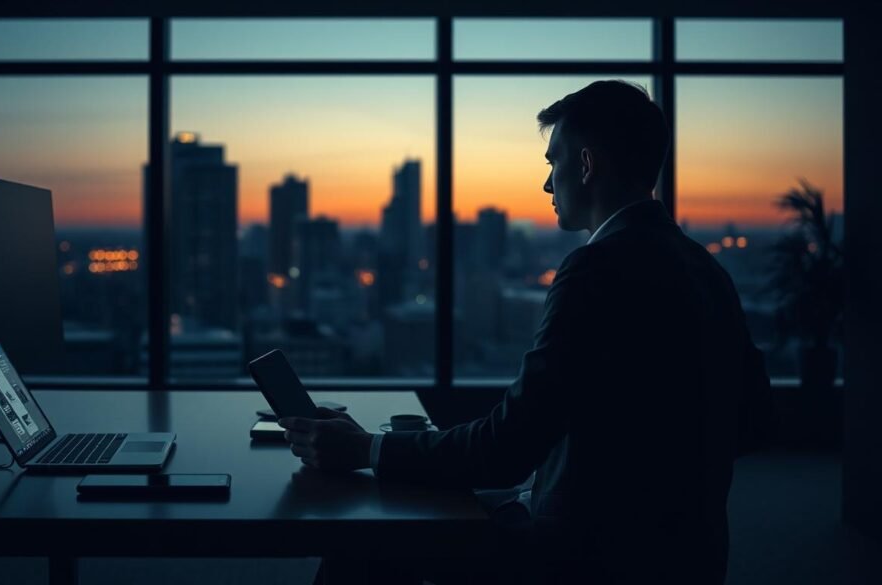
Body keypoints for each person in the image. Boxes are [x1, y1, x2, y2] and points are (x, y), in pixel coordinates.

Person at [280, 80, 771, 584]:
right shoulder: (706, 269)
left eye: (552, 162)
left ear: (585, 165)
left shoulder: (595, 270)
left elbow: (506, 449)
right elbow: (753, 420)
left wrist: (365, 449)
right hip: (690, 558)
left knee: (364, 544)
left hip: (584, 559)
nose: (546, 184)